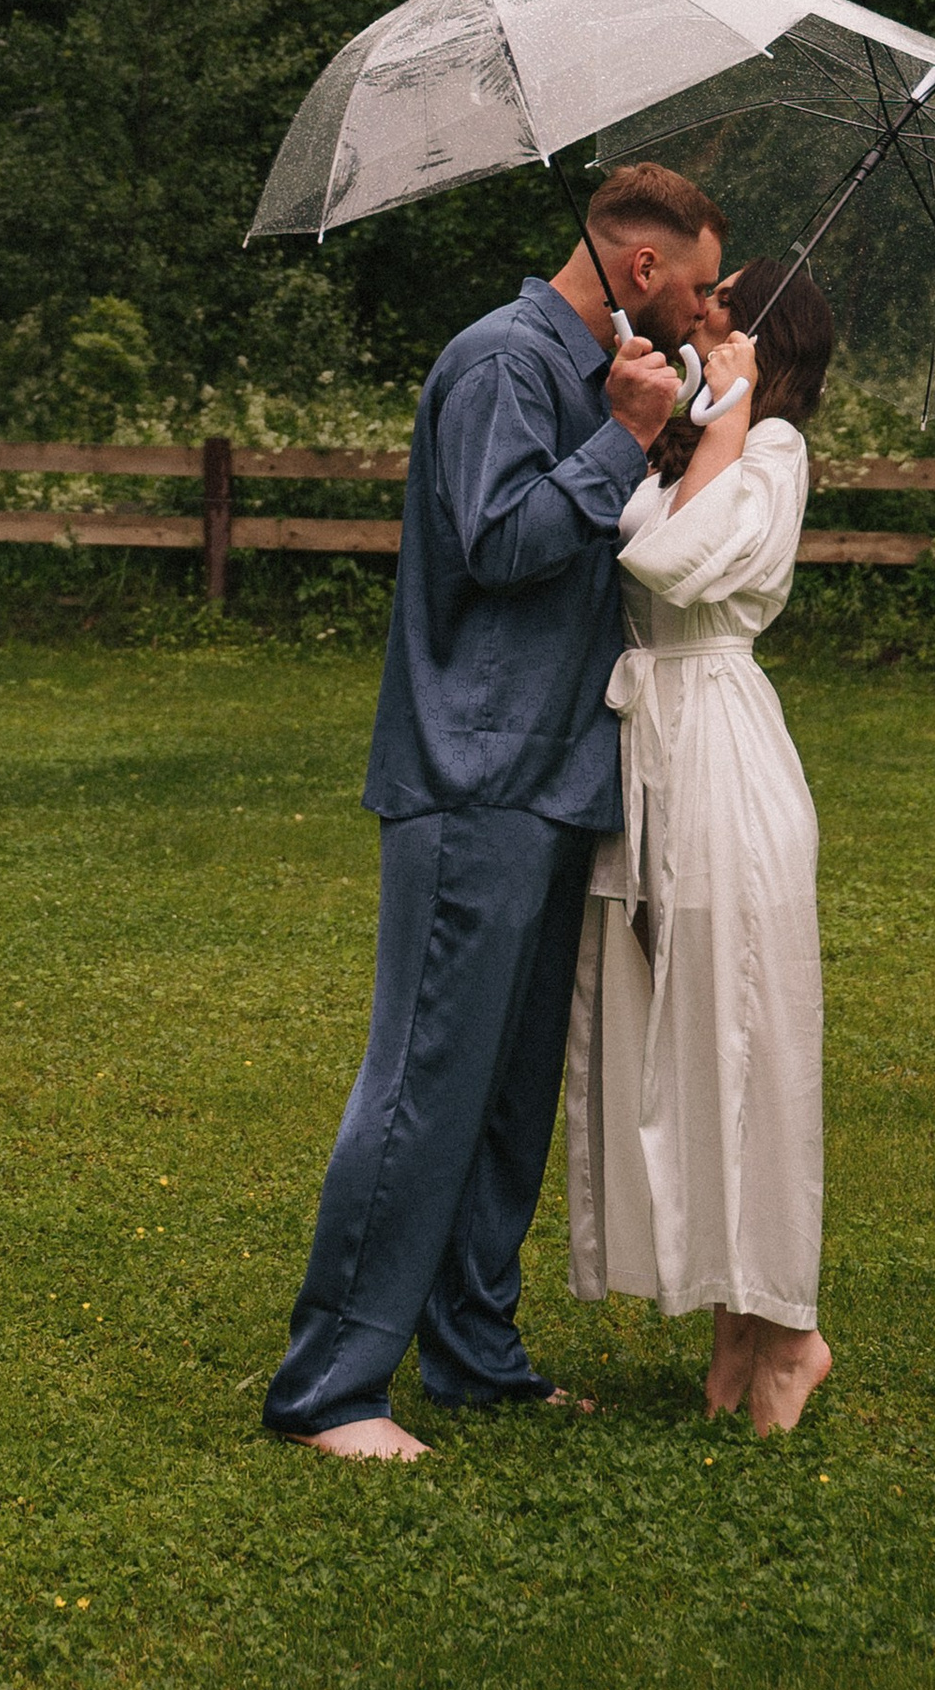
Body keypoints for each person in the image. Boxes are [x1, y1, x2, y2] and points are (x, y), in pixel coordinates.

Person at [261, 162, 728, 1463]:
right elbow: (500, 545)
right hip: (473, 773)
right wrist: (623, 439)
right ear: (642, 270)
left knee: (508, 1094)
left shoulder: (604, 379)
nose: (705, 310)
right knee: (422, 1080)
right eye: (695, 287)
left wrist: (650, 434)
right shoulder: (500, 363)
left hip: (562, 774)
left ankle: (473, 1358)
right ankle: (331, 1389)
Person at [563, 254, 836, 1437]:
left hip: (722, 750)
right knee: (675, 1027)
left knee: (743, 1026)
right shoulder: (700, 439)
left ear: (758, 338)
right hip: (651, 750)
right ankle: (729, 1317)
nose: (693, 307)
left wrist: (724, 419)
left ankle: (790, 1328)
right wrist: (682, 420)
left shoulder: (770, 455)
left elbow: (665, 561)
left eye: (718, 299)